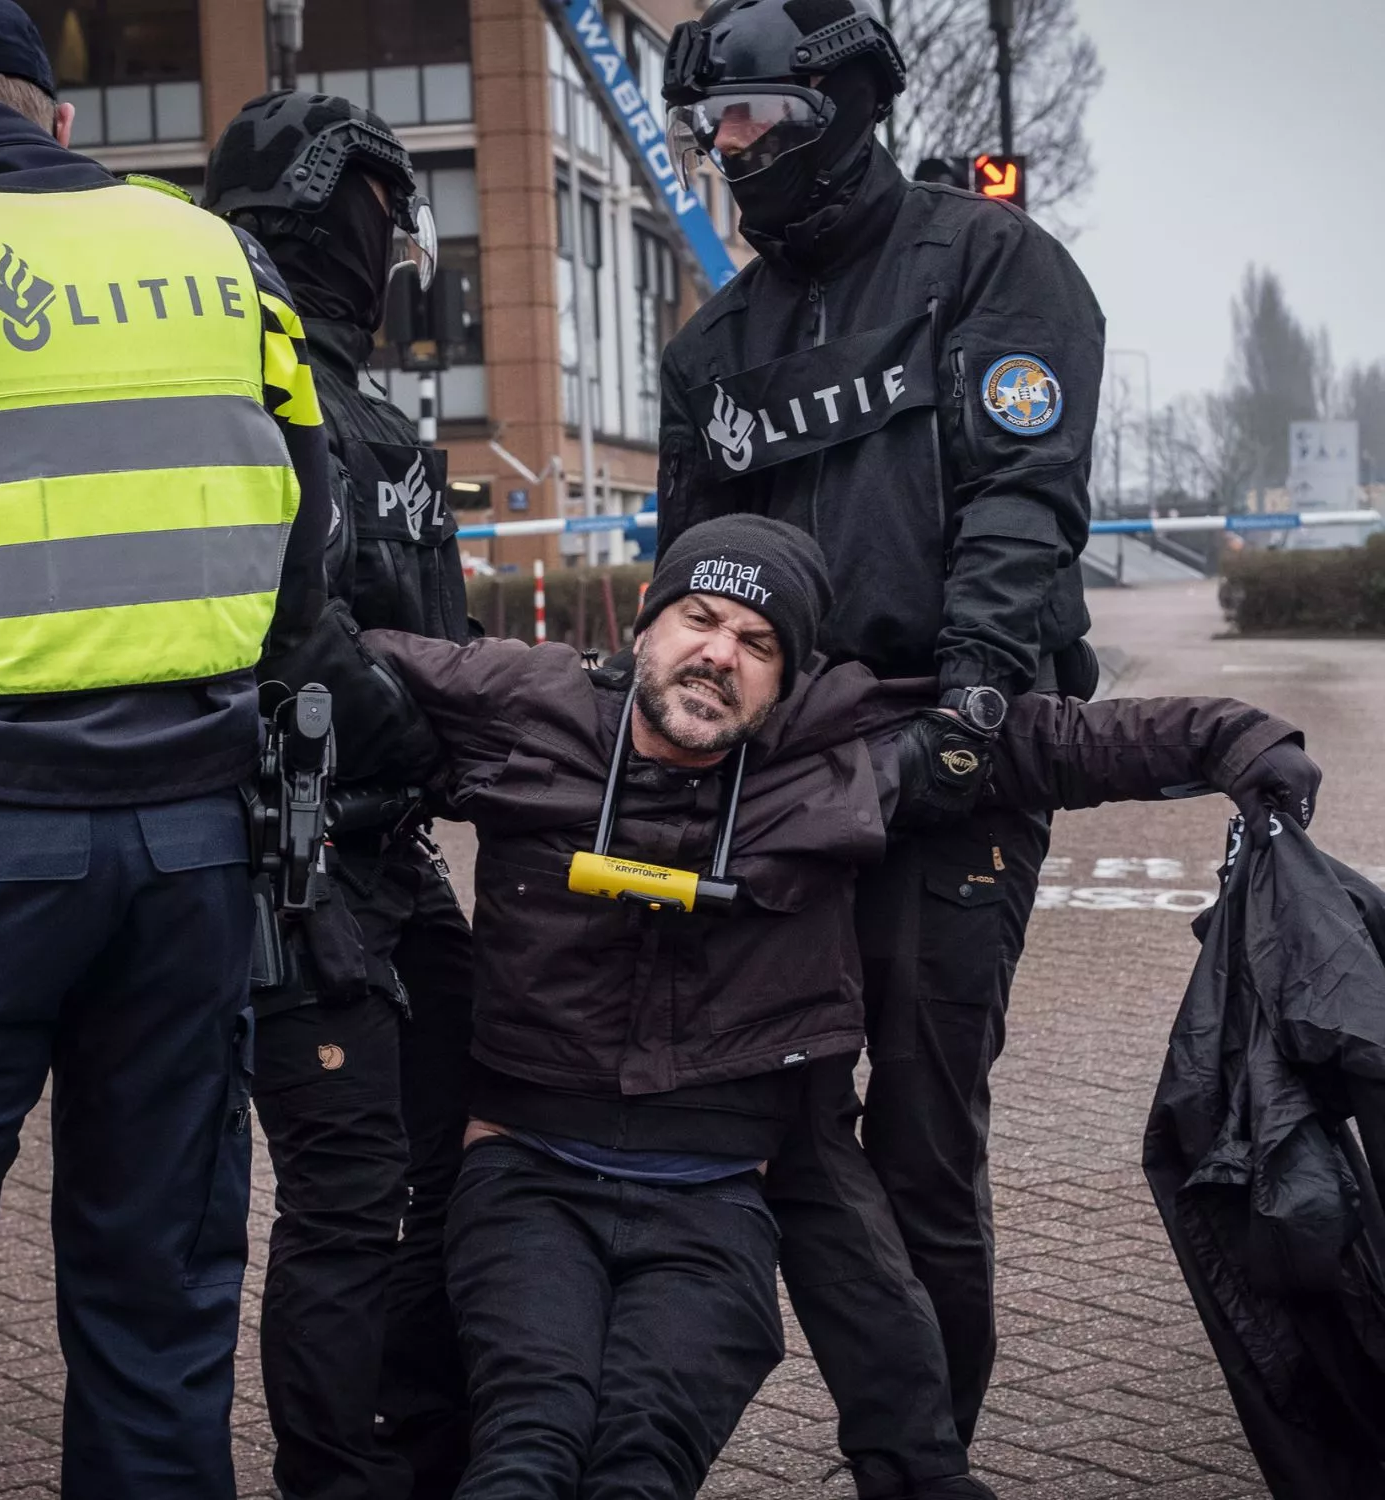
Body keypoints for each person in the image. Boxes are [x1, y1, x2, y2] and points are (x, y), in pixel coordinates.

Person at [354, 513, 1321, 1500]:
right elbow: (349, 659)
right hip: (530, 1163)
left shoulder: (834, 748)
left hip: (731, 1165)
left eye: (759, 642)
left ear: (787, 682)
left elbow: (1060, 743)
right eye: (699, 617)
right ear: (645, 628)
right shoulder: (526, 701)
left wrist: (1240, 742)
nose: (720, 653)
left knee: (661, 1450)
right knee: (529, 1437)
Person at [0, 4, 342, 1497]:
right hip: (189, 853)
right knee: (159, 1304)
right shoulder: (219, 254)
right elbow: (310, 520)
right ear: (56, 118)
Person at [658, 0, 1115, 1484]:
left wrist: (981, 703)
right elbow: (688, 570)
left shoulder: (992, 265)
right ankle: (898, 1444)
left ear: (840, 102)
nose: (729, 154)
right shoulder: (714, 341)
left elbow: (1021, 507)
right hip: (780, 779)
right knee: (785, 1132)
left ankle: (922, 1468)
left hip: (948, 758)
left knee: (920, 1145)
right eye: (709, 129)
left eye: (751, 121)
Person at [204, 93, 475, 1500]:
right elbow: (283, 632)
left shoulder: (373, 411)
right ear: (322, 200)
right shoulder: (230, 393)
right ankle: (337, 1477)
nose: (397, 239)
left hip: (397, 856)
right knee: (347, 1197)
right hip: (285, 862)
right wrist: (433, 735)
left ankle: (429, 1442)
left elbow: (450, 645)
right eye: (383, 205)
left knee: (464, 1159)